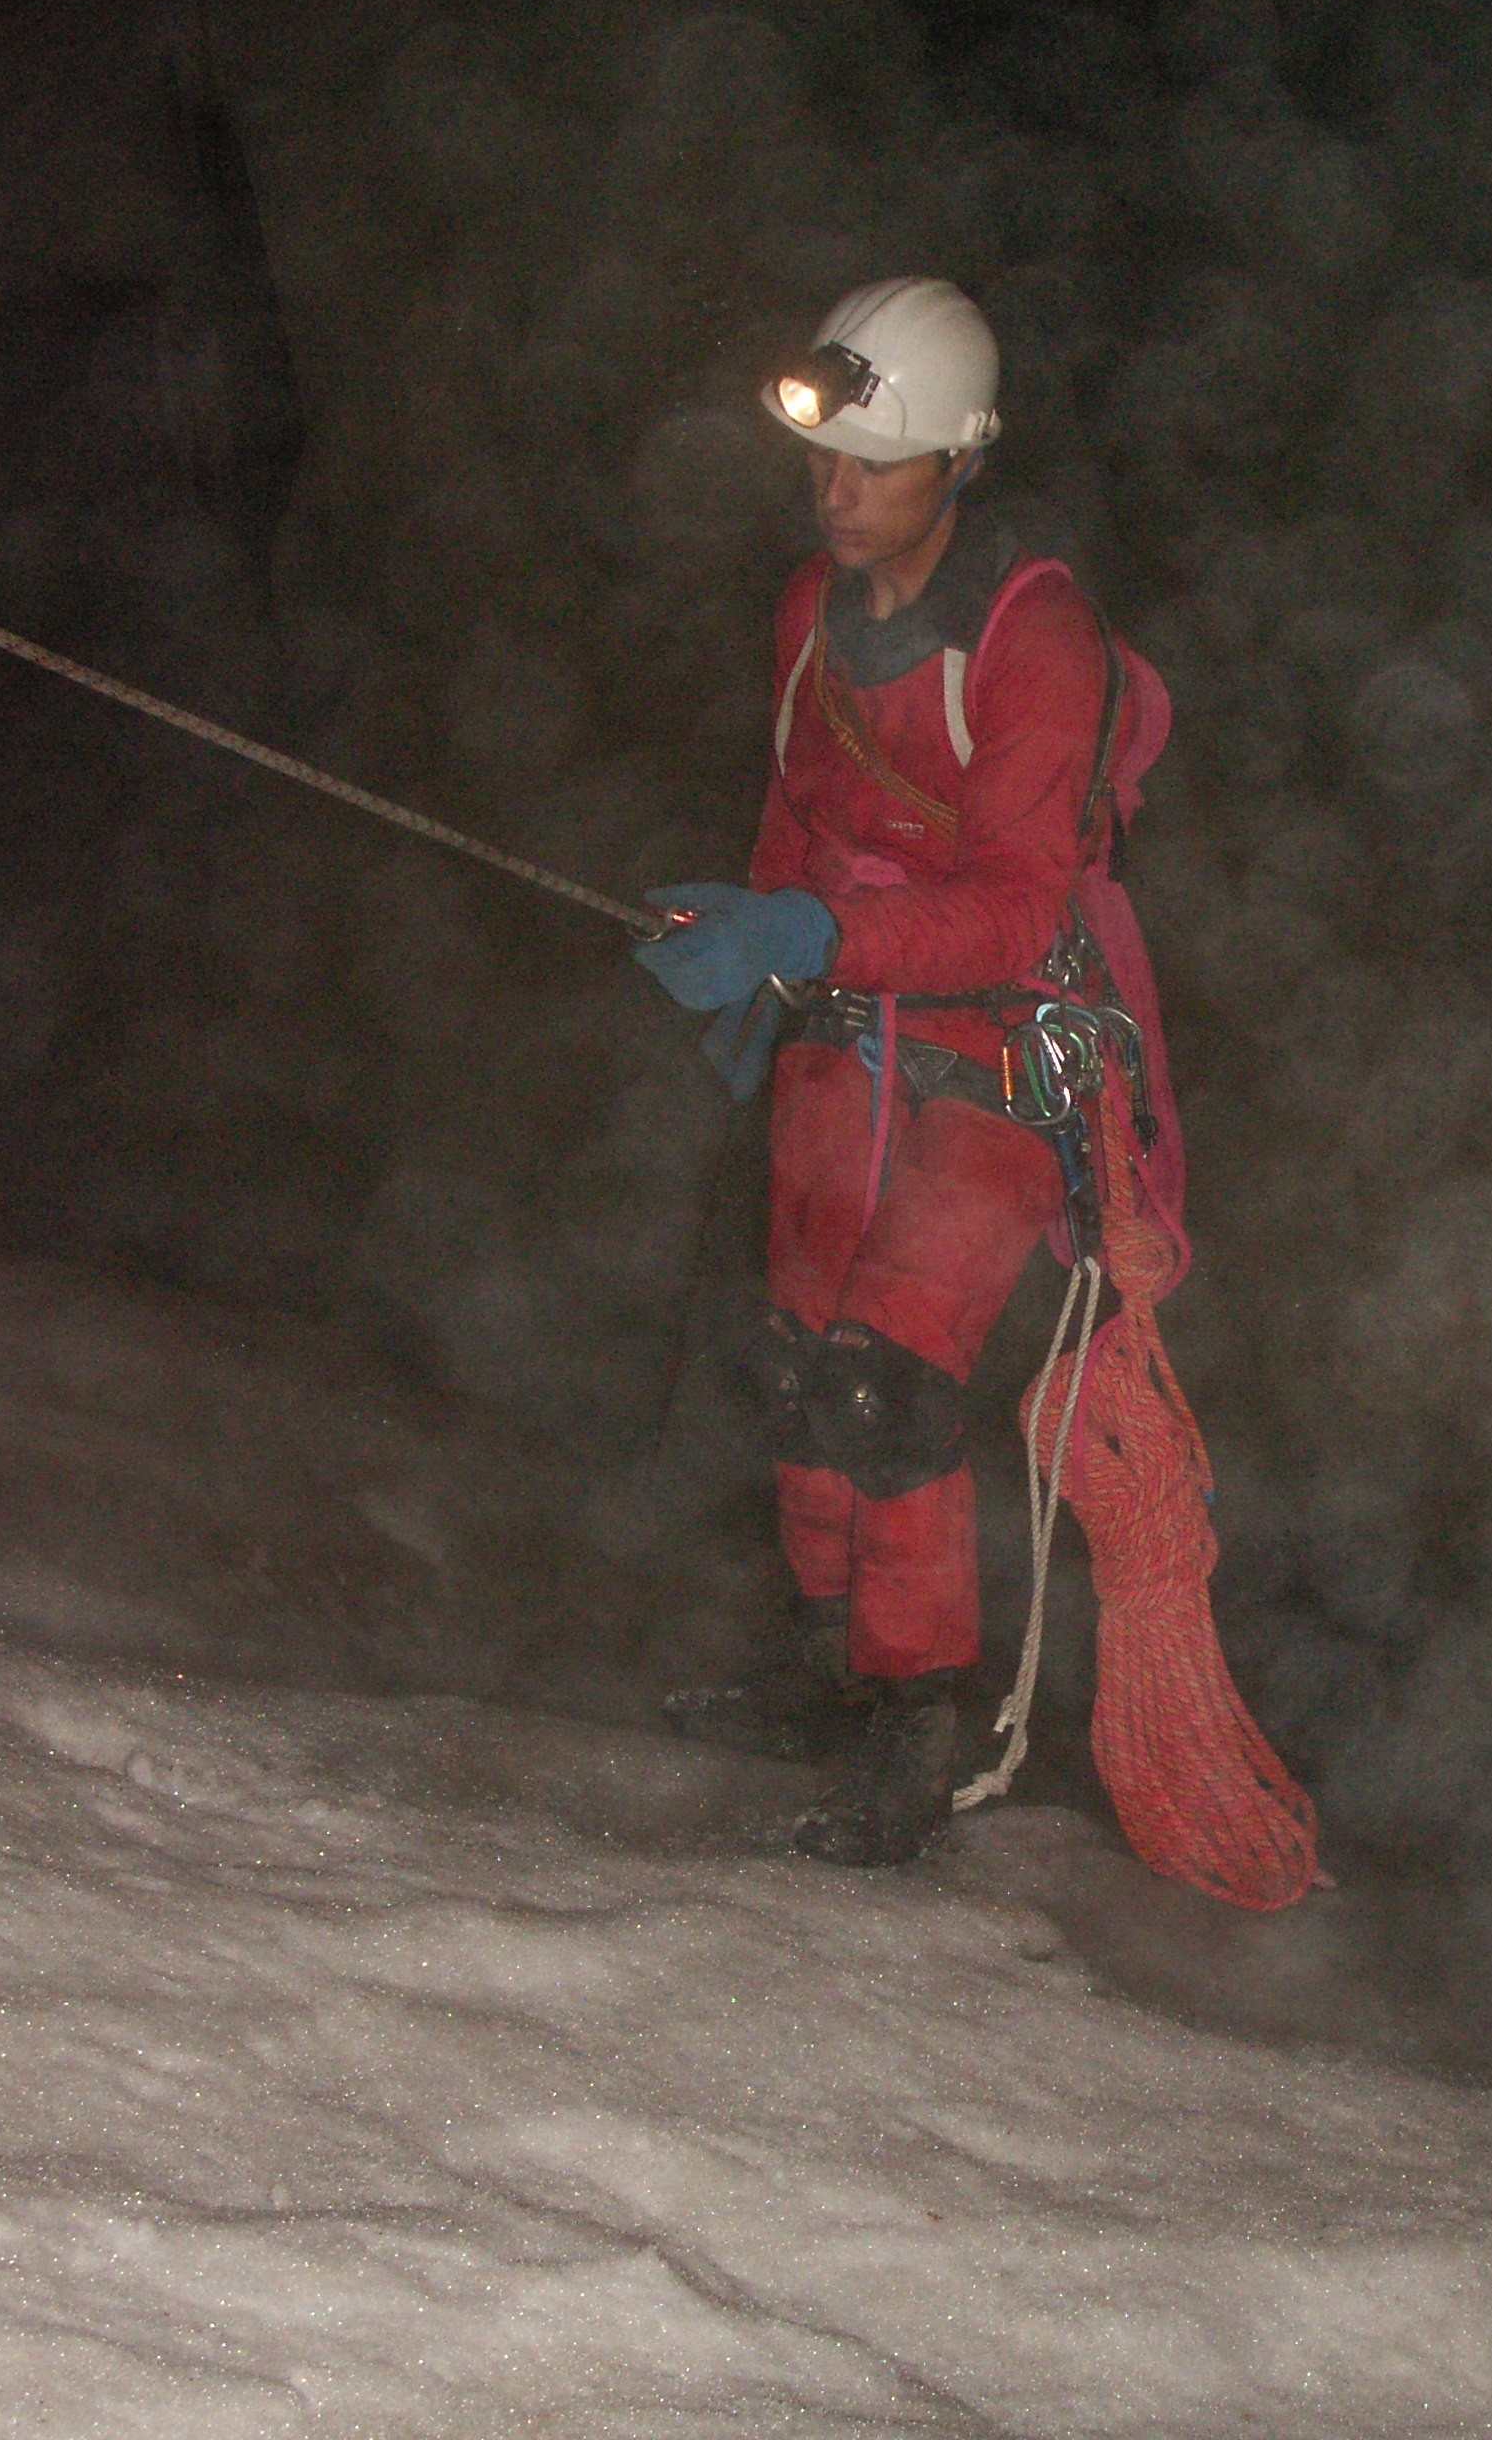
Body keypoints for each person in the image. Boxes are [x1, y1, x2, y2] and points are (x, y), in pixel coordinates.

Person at [632, 275, 1125, 1868]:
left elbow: (1018, 908)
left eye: (873, 465)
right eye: (822, 461)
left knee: (886, 1381)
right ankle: (823, 1662)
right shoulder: (812, 613)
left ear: (959, 461)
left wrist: (814, 933)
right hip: (848, 1019)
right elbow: (802, 807)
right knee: (794, 1359)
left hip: (1000, 1043)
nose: (834, 493)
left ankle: (920, 1726)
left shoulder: (1034, 642)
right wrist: (755, 941)